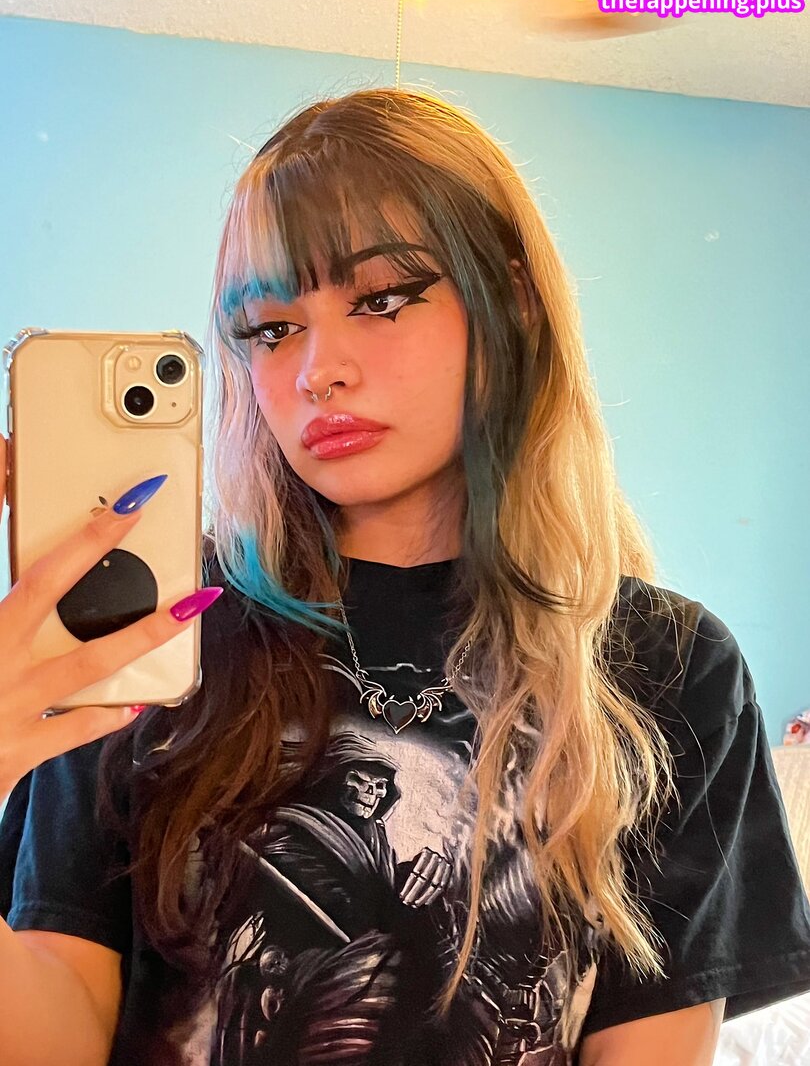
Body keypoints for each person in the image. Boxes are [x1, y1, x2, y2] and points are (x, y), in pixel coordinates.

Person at [0, 86, 809, 1066]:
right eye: (270, 329)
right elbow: (51, 1038)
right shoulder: (152, 634)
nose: (318, 371)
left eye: (381, 301)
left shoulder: (669, 668)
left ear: (511, 304)